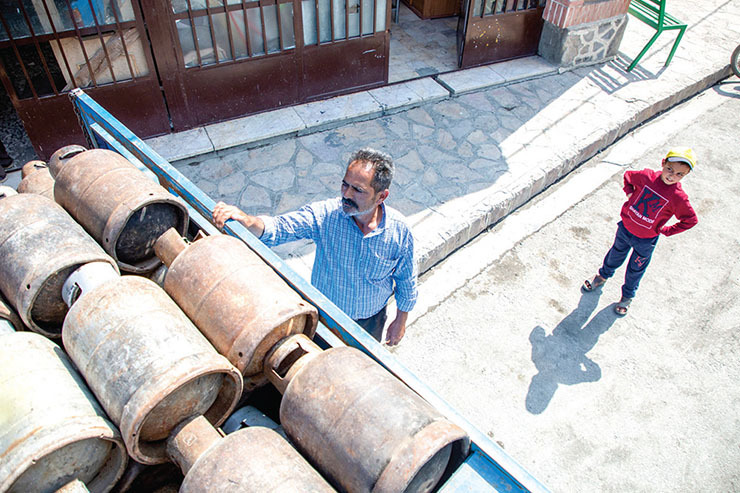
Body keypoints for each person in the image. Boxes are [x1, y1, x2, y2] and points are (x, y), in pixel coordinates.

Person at [212, 147, 417, 345]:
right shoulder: (325, 216)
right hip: (324, 319)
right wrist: (247, 221)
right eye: (345, 185)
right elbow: (280, 228)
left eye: (358, 190)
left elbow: (406, 280)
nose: (346, 194)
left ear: (381, 196)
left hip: (370, 322)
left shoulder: (399, 232)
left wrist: (401, 321)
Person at [582, 147, 698, 316]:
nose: (672, 176)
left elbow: (690, 220)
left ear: (685, 175)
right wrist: (630, 194)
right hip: (626, 229)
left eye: (679, 174)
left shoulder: (678, 197)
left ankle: (627, 296)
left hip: (645, 240)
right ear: (663, 163)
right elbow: (628, 176)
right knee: (615, 254)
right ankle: (602, 276)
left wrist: (666, 231)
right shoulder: (647, 177)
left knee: (635, 269)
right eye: (670, 169)